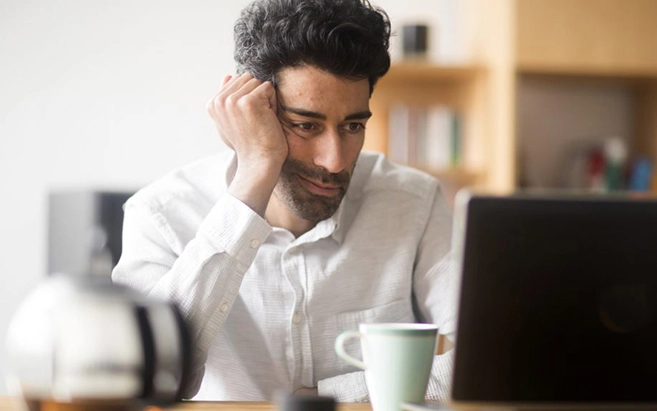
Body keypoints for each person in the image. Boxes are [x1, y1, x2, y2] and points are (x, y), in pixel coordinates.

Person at [112, 0, 459, 402]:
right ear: (250, 111)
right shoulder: (160, 215)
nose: (334, 160)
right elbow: (155, 381)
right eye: (305, 125)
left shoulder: (412, 202)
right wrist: (253, 178)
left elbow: (484, 358)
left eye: (353, 126)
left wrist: (326, 397)